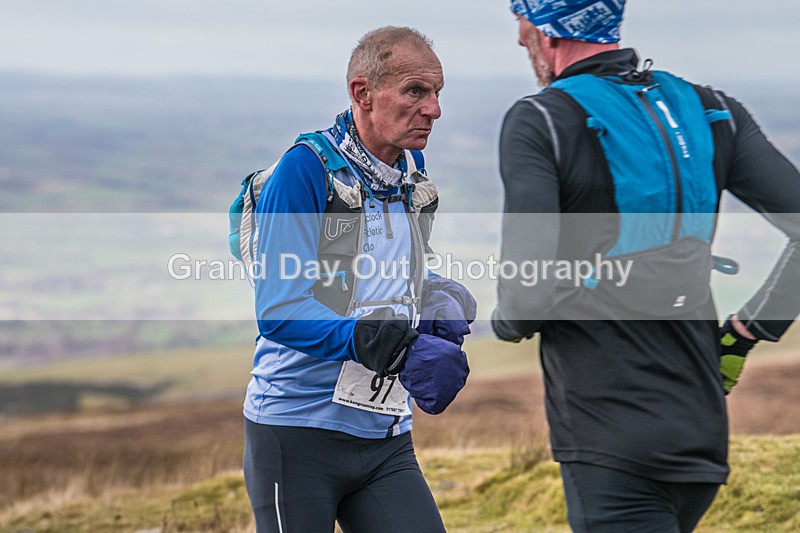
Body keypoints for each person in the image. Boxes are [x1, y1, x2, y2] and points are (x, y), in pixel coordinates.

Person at [492, 1, 800, 531]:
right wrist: (751, 329)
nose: (521, 41)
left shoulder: (540, 119)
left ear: (547, 31)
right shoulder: (711, 109)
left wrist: (505, 322)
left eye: (523, 27)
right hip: (701, 431)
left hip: (609, 440)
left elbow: (525, 297)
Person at [241, 26, 474, 532]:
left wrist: (434, 293)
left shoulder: (410, 168)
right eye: (416, 91)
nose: (434, 109)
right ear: (362, 93)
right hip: (295, 432)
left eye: (436, 94)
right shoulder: (305, 170)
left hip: (384, 435)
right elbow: (280, 311)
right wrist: (392, 347)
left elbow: (381, 267)